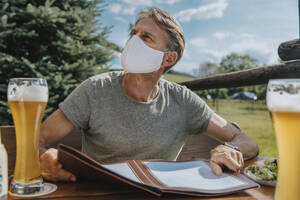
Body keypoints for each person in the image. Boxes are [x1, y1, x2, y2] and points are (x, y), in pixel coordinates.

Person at [39, 7, 259, 182]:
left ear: (168, 59)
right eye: (133, 34)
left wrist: (231, 149)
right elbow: (38, 138)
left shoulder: (183, 100)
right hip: (98, 193)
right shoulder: (95, 89)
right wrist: (43, 157)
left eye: (146, 37)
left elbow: (247, 141)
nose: (133, 41)